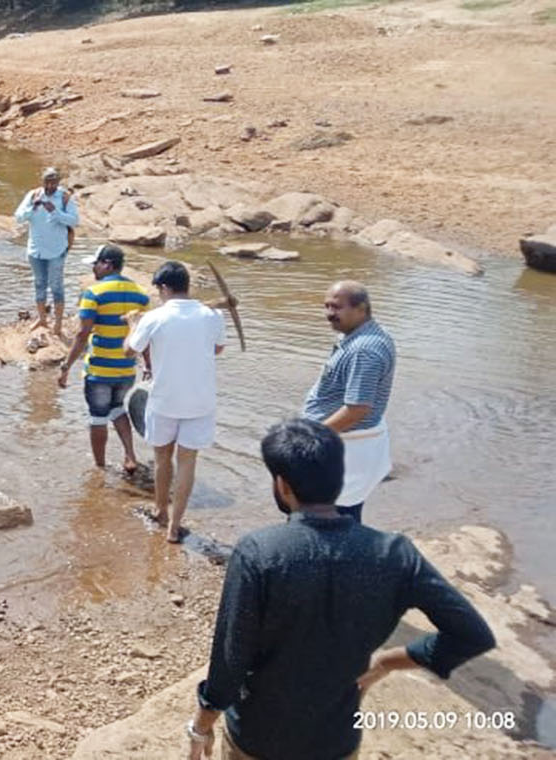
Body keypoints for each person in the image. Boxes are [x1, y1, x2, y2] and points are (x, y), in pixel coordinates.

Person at [186, 419, 494, 760]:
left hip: (259, 736)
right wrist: (389, 662)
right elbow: (472, 634)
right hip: (336, 740)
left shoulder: (259, 553)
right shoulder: (394, 554)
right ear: (340, 480)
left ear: (283, 486)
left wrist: (202, 725)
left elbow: (231, 660)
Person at [127, 262, 227, 543]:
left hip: (164, 400)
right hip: (200, 401)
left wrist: (133, 324)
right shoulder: (213, 315)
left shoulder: (154, 318)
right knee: (187, 463)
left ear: (164, 288)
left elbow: (129, 350)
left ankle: (160, 510)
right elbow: (218, 348)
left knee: (162, 459)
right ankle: (174, 526)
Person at [301, 281, 395, 524]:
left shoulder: (364, 349)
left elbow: (357, 409)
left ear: (361, 308)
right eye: (326, 306)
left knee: (331, 516)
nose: (329, 313)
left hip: (346, 446)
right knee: (341, 513)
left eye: (337, 307)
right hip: (350, 443)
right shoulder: (364, 336)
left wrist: (313, 438)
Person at [60, 245, 148, 473]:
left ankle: (99, 469)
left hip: (100, 369)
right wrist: (148, 367)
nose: (93, 269)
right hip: (126, 369)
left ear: (107, 265)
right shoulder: (141, 294)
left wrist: (66, 366)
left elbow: (82, 334)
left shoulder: (93, 293)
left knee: (98, 417)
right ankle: (130, 456)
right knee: (118, 409)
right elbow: (144, 334)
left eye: (96, 264)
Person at [14, 167, 79, 336]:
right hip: (36, 250)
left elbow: (74, 221)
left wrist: (55, 212)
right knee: (39, 284)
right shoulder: (33, 195)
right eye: (47, 182)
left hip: (56, 250)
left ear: (58, 182)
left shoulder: (64, 198)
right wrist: (33, 208)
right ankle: (42, 319)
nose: (50, 186)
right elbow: (18, 217)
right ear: (42, 181)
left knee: (56, 286)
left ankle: (58, 323)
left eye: (54, 182)